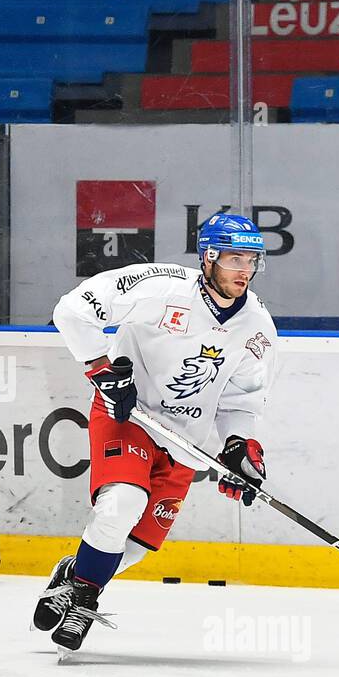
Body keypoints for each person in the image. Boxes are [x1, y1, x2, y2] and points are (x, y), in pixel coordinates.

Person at [37, 213, 279, 653]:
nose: (244, 270)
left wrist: (239, 445)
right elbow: (71, 311)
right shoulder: (160, 287)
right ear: (208, 257)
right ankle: (85, 598)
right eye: (233, 259)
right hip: (129, 415)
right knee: (120, 505)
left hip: (185, 440)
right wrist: (101, 368)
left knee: (138, 545)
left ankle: (74, 574)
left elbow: (241, 401)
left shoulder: (257, 328)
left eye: (252, 260)